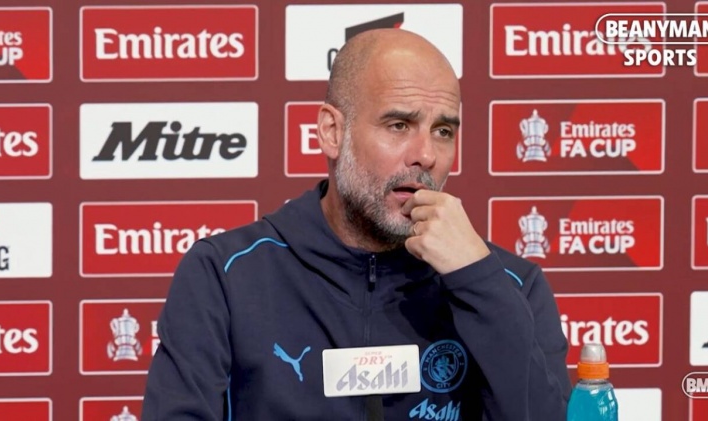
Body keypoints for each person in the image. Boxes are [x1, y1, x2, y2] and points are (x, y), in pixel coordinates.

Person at [142, 28, 572, 420]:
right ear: (332, 132)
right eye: (399, 125)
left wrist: (477, 281)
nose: (425, 155)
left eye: (443, 131)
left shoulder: (511, 285)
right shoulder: (224, 275)